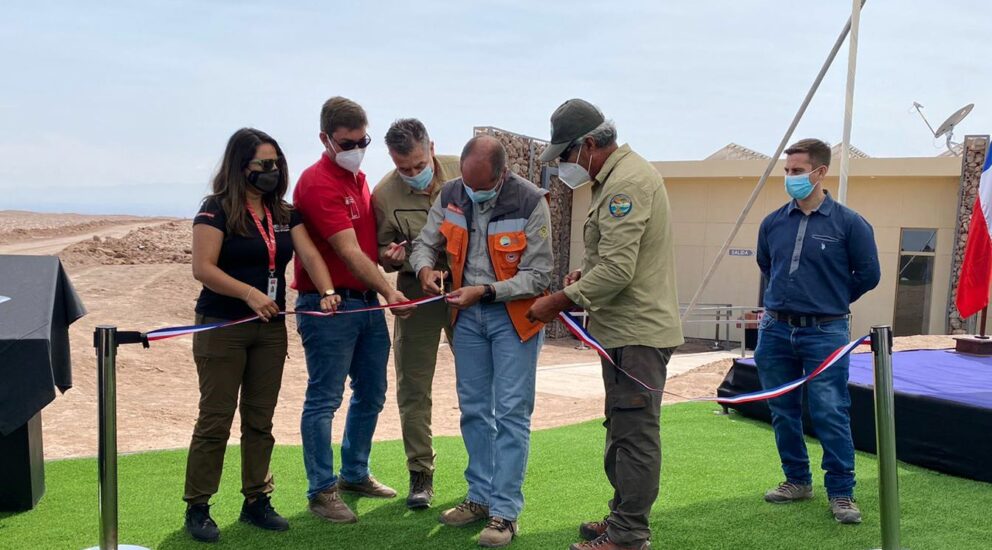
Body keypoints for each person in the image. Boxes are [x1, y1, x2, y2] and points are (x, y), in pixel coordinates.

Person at [527, 99, 684, 550]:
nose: (562, 168)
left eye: (565, 157)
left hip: (638, 333)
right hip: (623, 330)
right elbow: (611, 262)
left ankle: (630, 533)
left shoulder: (626, 185)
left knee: (634, 433)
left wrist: (559, 301)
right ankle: (622, 519)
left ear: (590, 144)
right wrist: (584, 275)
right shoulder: (613, 178)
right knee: (621, 427)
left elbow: (619, 271)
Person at [185, 127, 340, 543]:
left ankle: (257, 499)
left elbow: (309, 254)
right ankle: (198, 507)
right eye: (263, 165)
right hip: (223, 327)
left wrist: (327, 292)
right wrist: (250, 294)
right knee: (215, 420)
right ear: (241, 167)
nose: (272, 172)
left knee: (260, 420)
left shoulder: (285, 214)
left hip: (269, 331)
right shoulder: (215, 209)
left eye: (276, 164)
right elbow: (204, 268)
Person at [410, 134, 553, 548]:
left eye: (482, 186)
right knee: (474, 410)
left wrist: (487, 291)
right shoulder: (452, 193)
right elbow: (426, 243)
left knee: (510, 413)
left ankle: (504, 513)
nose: (472, 192)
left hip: (514, 318)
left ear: (502, 173)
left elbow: (539, 276)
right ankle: (479, 496)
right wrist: (424, 270)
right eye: (467, 184)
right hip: (467, 319)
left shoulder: (531, 202)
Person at [294, 96, 415, 524]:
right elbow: (345, 251)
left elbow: (364, 249)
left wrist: (389, 258)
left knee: (371, 393)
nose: (357, 147)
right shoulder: (317, 182)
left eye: (363, 139)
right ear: (325, 138)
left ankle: (354, 473)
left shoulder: (360, 179)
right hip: (328, 306)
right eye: (347, 141)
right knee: (324, 399)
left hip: (363, 303)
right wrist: (390, 291)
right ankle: (321, 490)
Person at [753, 138, 880, 524]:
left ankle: (841, 492)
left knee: (830, 411)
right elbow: (766, 264)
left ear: (820, 172)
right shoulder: (773, 223)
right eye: (787, 171)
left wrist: (830, 300)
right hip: (775, 330)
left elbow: (869, 275)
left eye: (797, 171)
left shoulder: (850, 224)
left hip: (825, 332)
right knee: (782, 409)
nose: (790, 178)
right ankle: (797, 480)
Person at [372, 118, 460, 509]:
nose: (412, 174)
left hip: (467, 292)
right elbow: (383, 253)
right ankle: (420, 474)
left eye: (418, 165)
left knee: (479, 383)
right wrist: (391, 259)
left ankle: (489, 473)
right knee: (413, 388)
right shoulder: (383, 194)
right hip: (415, 297)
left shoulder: (463, 171)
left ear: (432, 148)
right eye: (403, 167)